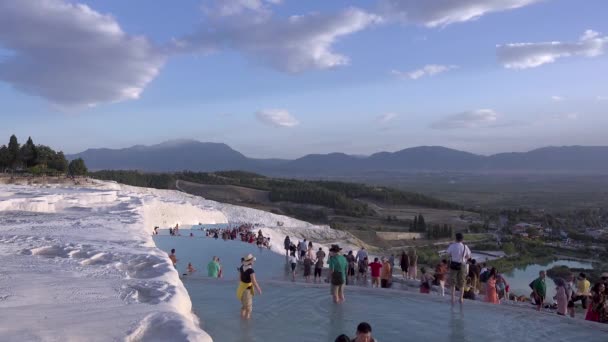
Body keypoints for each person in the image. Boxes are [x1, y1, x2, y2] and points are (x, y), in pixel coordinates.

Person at [446, 233, 471, 305]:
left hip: (453, 264)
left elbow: (448, 254)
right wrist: (463, 258)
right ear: (462, 239)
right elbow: (468, 256)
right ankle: (461, 298)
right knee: (462, 282)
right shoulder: (465, 247)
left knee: (453, 282)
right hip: (462, 265)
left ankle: (452, 298)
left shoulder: (452, 246)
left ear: (456, 238)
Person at [237, 254, 262, 320]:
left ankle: (242, 320)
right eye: (253, 261)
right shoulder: (251, 270)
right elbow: (254, 281)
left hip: (241, 289)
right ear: (250, 262)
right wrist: (258, 289)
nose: (253, 262)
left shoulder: (241, 267)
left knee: (243, 307)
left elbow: (239, 279)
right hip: (247, 291)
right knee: (249, 309)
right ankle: (247, 324)